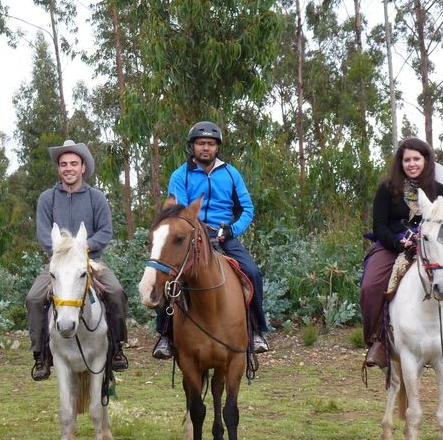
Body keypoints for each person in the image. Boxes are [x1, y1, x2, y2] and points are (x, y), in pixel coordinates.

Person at [360, 137, 443, 368]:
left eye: (416, 159)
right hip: (394, 245)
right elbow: (379, 225)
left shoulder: (438, 190)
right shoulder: (387, 189)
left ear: (426, 160)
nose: (411, 164)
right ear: (400, 162)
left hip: (434, 248)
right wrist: (399, 244)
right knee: (371, 285)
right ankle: (376, 341)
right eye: (407, 159)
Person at [152, 121, 270, 359]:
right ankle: (165, 335)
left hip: (224, 236)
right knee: (170, 275)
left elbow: (246, 208)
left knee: (253, 273)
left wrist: (231, 230)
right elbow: (179, 210)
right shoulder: (180, 175)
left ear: (217, 147)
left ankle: (258, 330)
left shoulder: (230, 173)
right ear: (192, 146)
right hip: (191, 236)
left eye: (210, 144)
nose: (205, 148)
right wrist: (197, 230)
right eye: (201, 143)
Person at [26, 139, 130, 381]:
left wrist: (83, 247)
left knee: (115, 292)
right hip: (59, 265)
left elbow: (105, 231)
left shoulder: (96, 197)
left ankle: (117, 349)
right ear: (59, 169)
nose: (68, 168)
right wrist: (65, 252)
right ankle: (40, 355)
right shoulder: (46, 199)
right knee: (34, 298)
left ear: (83, 167)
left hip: (91, 261)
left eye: (74, 163)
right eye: (63, 164)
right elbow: (44, 233)